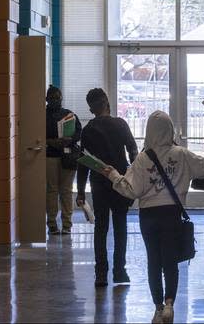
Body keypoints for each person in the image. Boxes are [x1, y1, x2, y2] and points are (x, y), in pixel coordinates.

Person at [103, 111, 204, 324]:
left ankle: (157, 308)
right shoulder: (182, 154)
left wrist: (114, 176)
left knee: (154, 261)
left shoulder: (143, 158)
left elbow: (131, 190)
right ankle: (170, 305)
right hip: (172, 214)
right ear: (170, 130)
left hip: (149, 216)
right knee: (170, 261)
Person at [76, 88, 138, 287]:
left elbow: (83, 162)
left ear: (91, 108)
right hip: (119, 181)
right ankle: (120, 271)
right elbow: (133, 150)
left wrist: (79, 192)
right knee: (120, 227)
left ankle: (100, 274)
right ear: (106, 102)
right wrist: (133, 174)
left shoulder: (88, 130)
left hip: (98, 183)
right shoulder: (120, 124)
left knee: (101, 228)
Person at [45, 85, 82, 235]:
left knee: (66, 191)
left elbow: (79, 132)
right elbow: (35, 135)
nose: (55, 100)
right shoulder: (41, 115)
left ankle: (67, 224)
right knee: (52, 190)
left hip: (68, 156)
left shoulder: (69, 115)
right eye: (52, 97)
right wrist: (50, 141)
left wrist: (69, 140)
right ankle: (52, 223)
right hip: (50, 156)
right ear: (46, 99)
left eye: (58, 97)